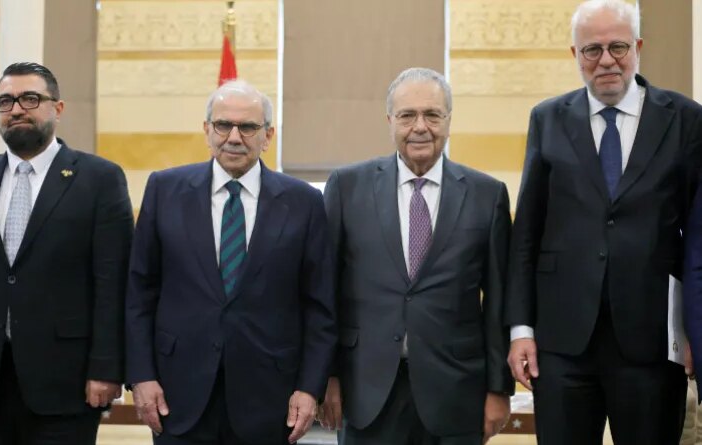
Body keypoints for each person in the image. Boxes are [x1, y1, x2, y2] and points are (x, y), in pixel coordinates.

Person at [505, 0, 702, 443]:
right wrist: (520, 330)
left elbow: (699, 238)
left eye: (618, 47)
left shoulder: (686, 119)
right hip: (562, 344)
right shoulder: (548, 118)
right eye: (592, 50)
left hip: (652, 343)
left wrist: (697, 331)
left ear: (638, 47)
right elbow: (526, 235)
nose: (606, 60)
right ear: (575, 55)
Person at [0, 62, 134, 445]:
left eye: (30, 98)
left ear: (58, 108)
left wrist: (107, 368)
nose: (17, 109)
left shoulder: (100, 179)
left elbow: (112, 284)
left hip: (67, 382)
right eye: (5, 101)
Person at [126, 80, 336, 445]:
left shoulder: (304, 203)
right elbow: (139, 293)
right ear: (207, 130)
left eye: (248, 127)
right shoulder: (165, 190)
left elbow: (320, 307)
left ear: (268, 135)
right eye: (223, 125)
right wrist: (141, 376)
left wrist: (309, 387)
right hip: (178, 395)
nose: (234, 137)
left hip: (270, 400)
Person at [319, 67, 513, 445]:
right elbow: (325, 291)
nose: (420, 127)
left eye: (432, 115)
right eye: (407, 115)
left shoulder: (487, 195)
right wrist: (327, 376)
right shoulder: (346, 187)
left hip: (456, 393)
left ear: (449, 121)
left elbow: (498, 301)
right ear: (390, 121)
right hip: (366, 391)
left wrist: (498, 388)